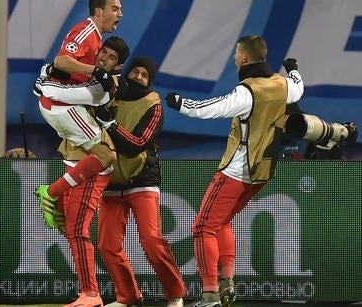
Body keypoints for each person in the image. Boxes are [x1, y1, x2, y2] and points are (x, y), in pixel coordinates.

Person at [165, 35, 304, 307]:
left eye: (236, 55)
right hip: (262, 171)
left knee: (203, 227)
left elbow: (213, 109)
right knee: (222, 222)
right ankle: (228, 284)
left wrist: (181, 103)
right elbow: (299, 87)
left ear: (243, 59)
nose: (234, 59)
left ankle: (210, 295)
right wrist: (293, 68)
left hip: (235, 171)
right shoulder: (283, 84)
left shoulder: (247, 91)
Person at [35, 36, 130, 307]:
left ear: (118, 66)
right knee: (72, 230)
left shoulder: (108, 85)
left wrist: (44, 84)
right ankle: (98, 292)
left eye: (111, 58)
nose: (103, 59)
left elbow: (60, 92)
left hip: (93, 160)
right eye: (103, 52)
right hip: (74, 155)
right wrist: (48, 75)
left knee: (77, 229)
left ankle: (91, 294)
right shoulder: (87, 69)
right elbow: (58, 74)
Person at [92, 57, 186, 307]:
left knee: (151, 240)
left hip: (142, 179)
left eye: (145, 74)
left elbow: (136, 145)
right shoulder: (108, 95)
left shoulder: (153, 104)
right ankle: (128, 296)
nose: (139, 77)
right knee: (107, 245)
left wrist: (110, 125)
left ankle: (175, 294)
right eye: (136, 71)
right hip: (110, 180)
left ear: (150, 81)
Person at [34, 0, 123, 234]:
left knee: (94, 161)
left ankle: (61, 208)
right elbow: (61, 61)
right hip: (62, 108)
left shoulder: (96, 41)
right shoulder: (86, 31)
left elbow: (64, 71)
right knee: (106, 158)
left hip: (60, 105)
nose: (120, 14)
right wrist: (96, 72)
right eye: (115, 8)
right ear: (98, 11)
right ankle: (51, 193)